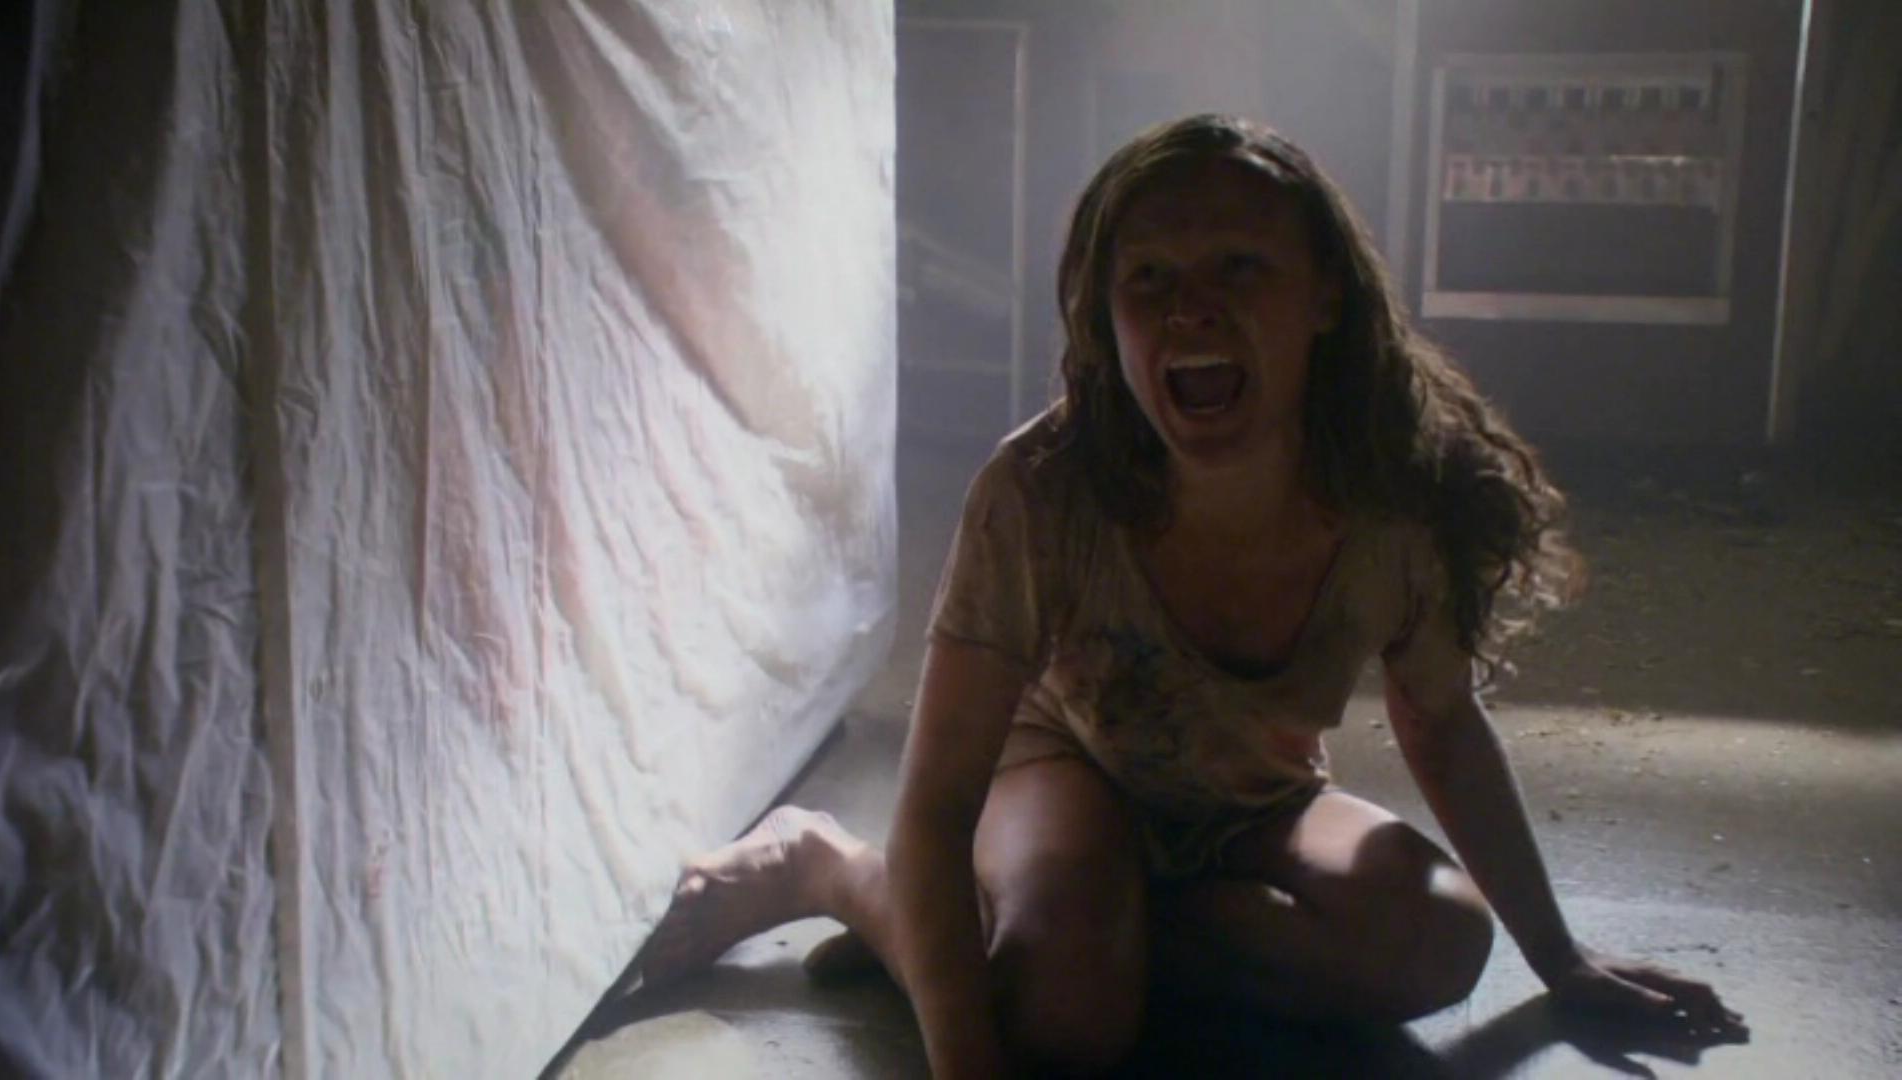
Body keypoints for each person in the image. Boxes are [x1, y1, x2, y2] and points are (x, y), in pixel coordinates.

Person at [631, 114, 1745, 1076]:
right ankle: (834, 873)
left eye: (1239, 268)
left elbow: (1442, 723)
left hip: (1252, 801)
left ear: (1324, 296)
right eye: (1149, 280)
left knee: (1441, 943)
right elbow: (934, 805)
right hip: (1059, 768)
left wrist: (1562, 959)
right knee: (1064, 1021)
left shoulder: (1392, 502)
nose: (1191, 310)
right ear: (1104, 318)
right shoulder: (1042, 491)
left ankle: (1065, 936)